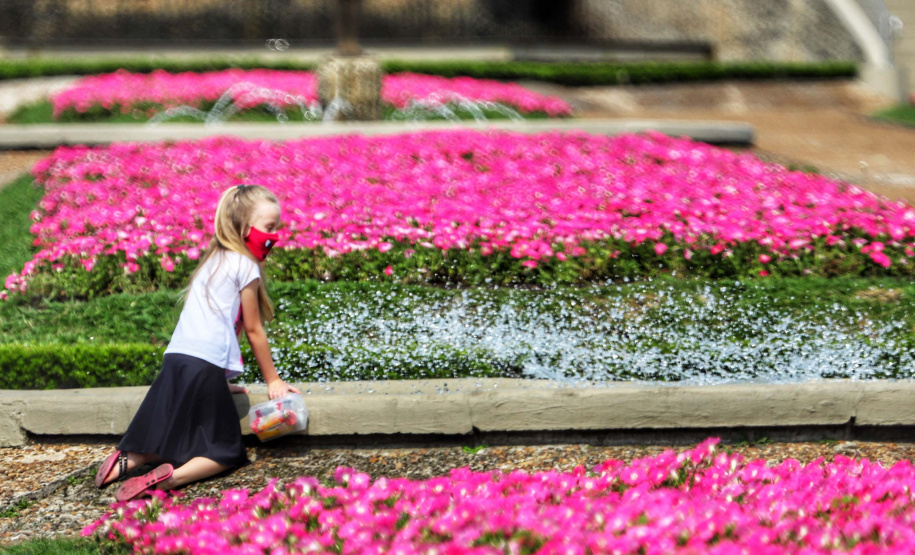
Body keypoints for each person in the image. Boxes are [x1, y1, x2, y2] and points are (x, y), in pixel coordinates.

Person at [94, 184, 300, 502]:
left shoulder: (213, 260)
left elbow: (214, 325)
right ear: (245, 228)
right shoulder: (245, 265)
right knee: (226, 452)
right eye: (269, 227)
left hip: (178, 357)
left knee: (179, 430)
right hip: (203, 364)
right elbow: (253, 329)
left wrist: (219, 381)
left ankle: (127, 459)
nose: (274, 236)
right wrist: (273, 380)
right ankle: (167, 480)